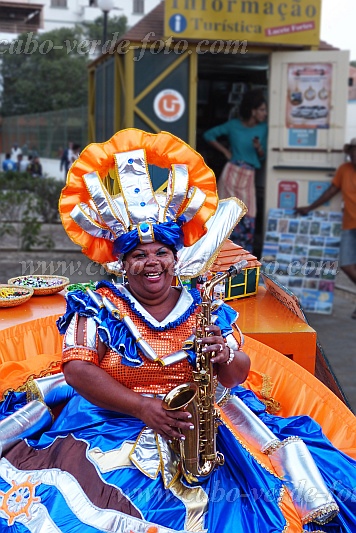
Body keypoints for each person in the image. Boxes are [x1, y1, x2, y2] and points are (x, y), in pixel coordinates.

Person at [0, 129, 355, 533]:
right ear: (122, 264)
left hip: (201, 421)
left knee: (253, 495)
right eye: (138, 255)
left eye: (161, 253)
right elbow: (78, 371)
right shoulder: (98, 304)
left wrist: (224, 355)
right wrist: (141, 408)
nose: (151, 263)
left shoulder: (204, 305)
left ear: (174, 257)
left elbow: (237, 374)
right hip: (109, 418)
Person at [296, 137, 356, 319]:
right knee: (346, 263)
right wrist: (309, 207)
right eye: (352, 151)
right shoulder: (344, 170)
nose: (354, 154)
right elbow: (332, 190)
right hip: (349, 223)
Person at [203, 89, 268, 253]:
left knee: (249, 215)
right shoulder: (233, 126)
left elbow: (262, 157)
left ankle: (243, 259)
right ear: (253, 111)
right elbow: (209, 135)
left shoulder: (263, 129)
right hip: (231, 173)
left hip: (249, 175)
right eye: (262, 110)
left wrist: (259, 149)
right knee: (226, 215)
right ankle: (221, 256)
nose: (265, 113)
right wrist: (225, 152)